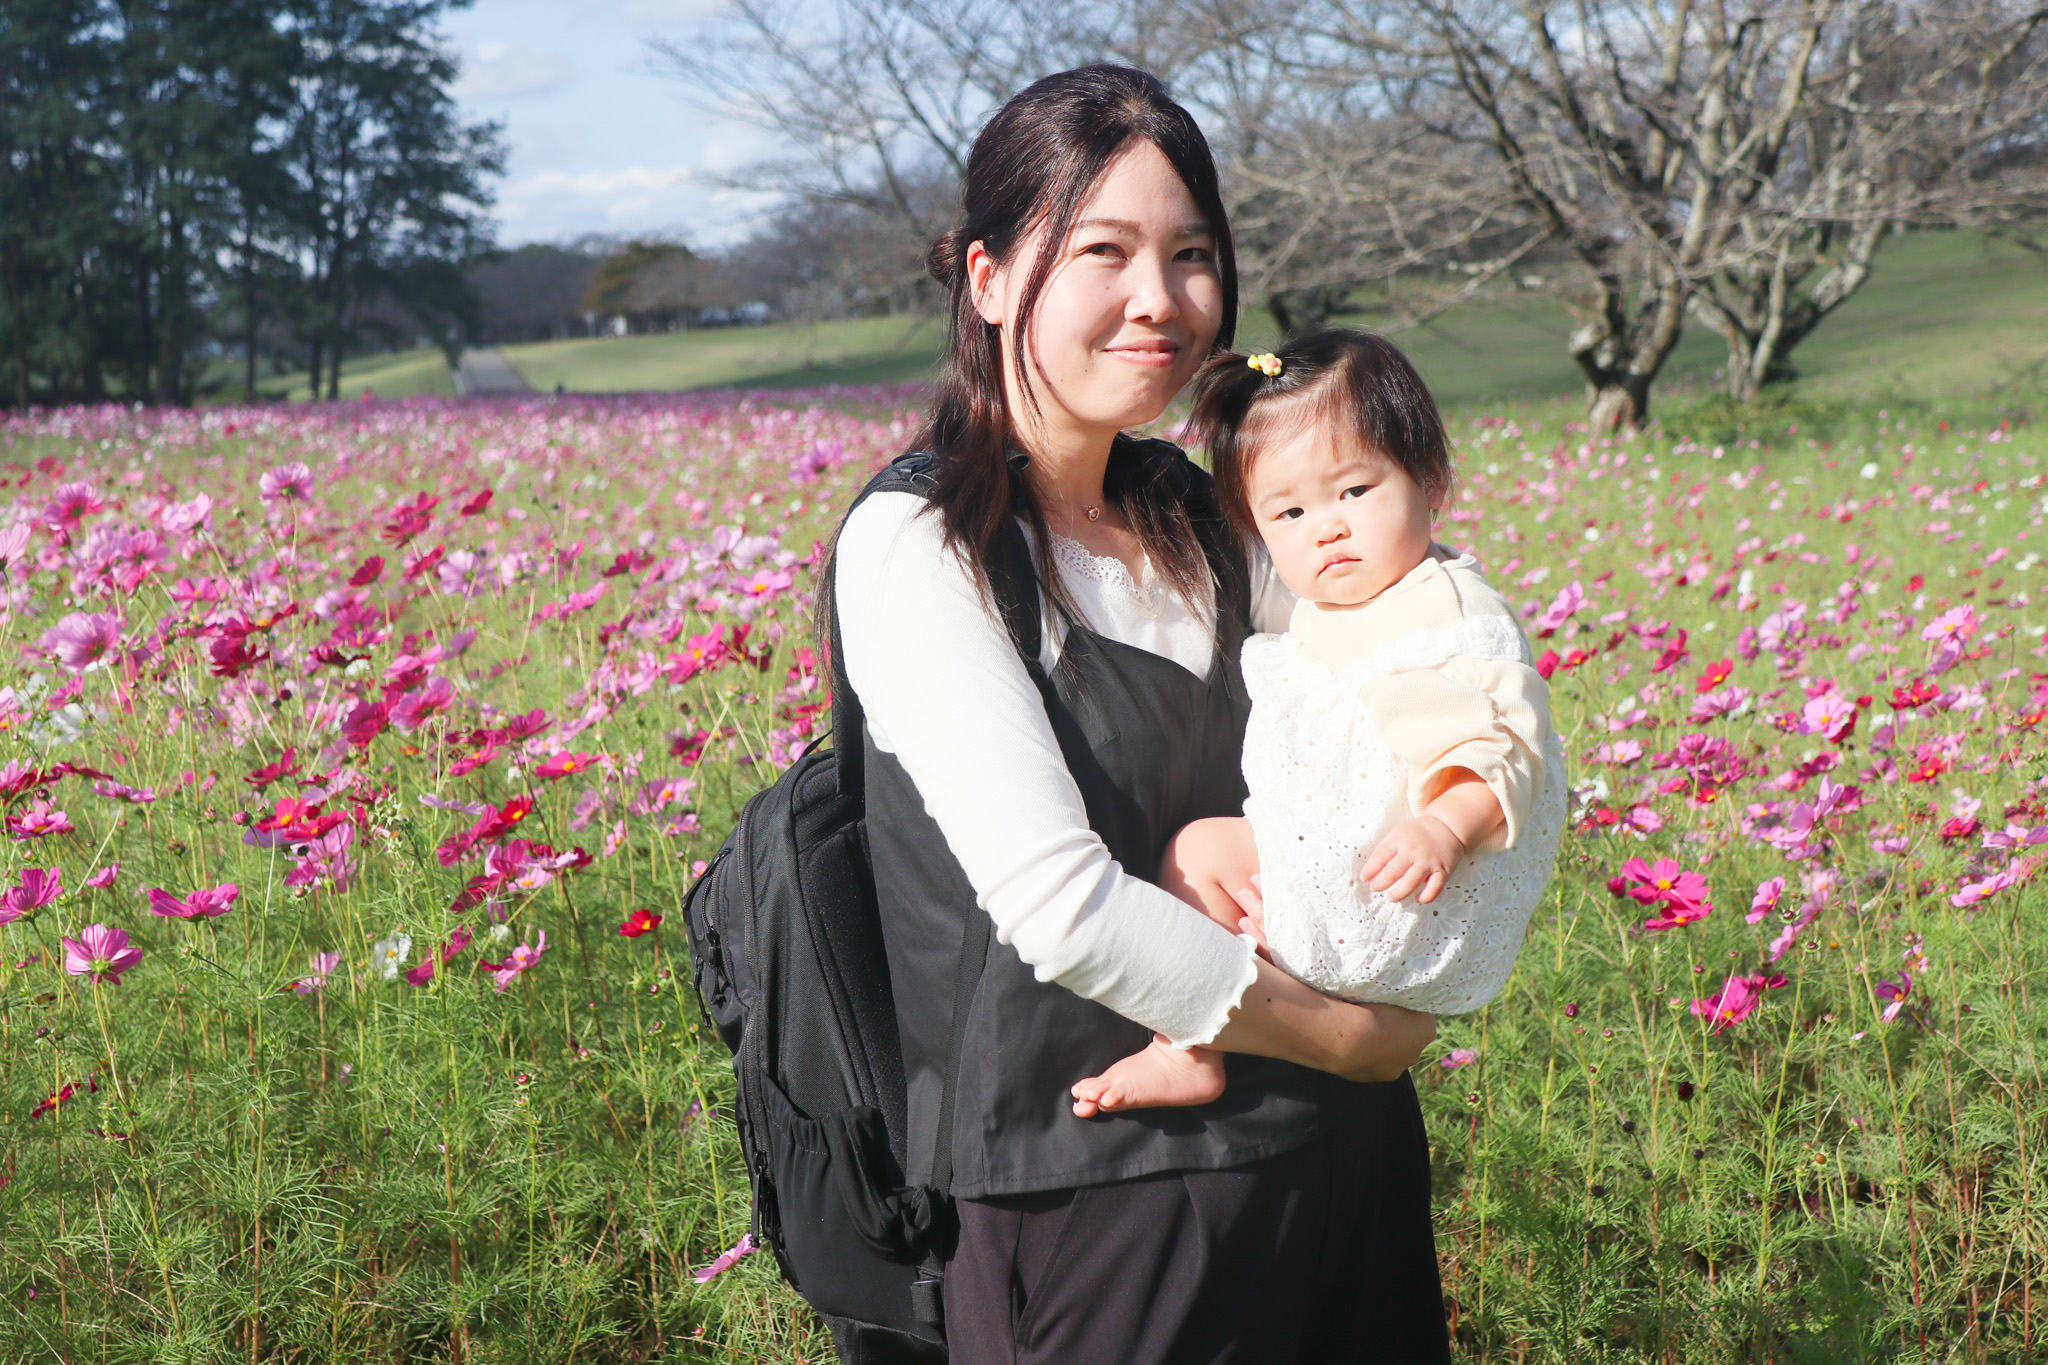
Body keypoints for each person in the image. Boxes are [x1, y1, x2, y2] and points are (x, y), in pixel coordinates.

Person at [833, 65, 1452, 1364]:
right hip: (1099, 1195)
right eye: (1103, 251)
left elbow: (1398, 710)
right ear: (991, 279)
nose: (1158, 301)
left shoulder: (1215, 510)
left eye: (1191, 255)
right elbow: (1061, 906)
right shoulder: (924, 544)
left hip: (1344, 1165)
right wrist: (1349, 1034)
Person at [1069, 331, 1567, 1116]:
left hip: (1403, 873)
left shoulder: (1437, 612)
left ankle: (1185, 1046)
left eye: (1355, 492)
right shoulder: (1343, 605)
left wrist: (1445, 825)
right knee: (1215, 857)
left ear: (1430, 478)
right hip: (1364, 870)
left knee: (1198, 853)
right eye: (1290, 511)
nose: (1327, 527)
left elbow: (1496, 741)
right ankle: (1250, 996)